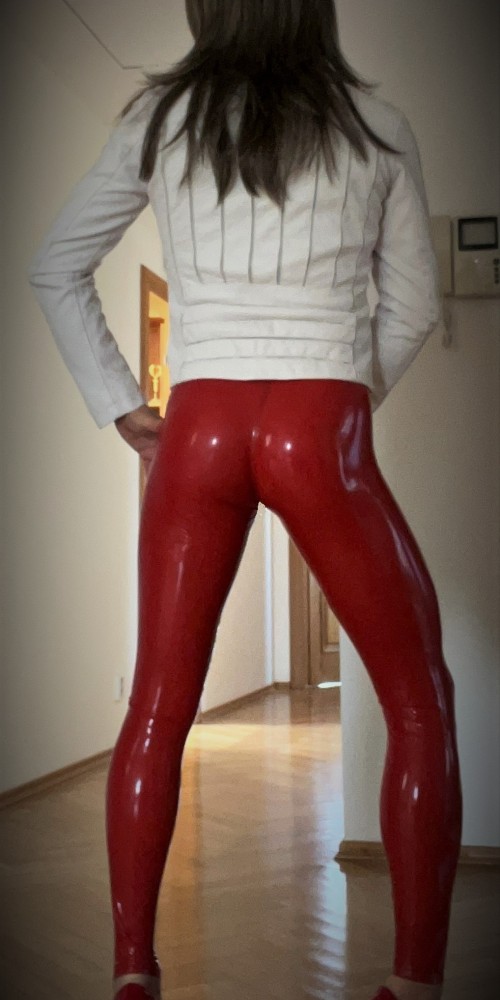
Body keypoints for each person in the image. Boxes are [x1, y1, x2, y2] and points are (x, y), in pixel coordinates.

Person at [26, 2, 463, 998]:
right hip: (319, 422)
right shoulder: (378, 126)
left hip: (199, 424)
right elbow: (412, 307)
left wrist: (122, 404)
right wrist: (337, 401)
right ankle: (413, 982)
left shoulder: (157, 119)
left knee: (154, 707)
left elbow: (55, 266)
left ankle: (131, 971)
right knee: (419, 701)